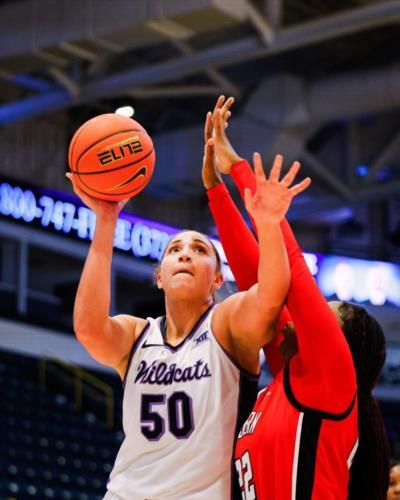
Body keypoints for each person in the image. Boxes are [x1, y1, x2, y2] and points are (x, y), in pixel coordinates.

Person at [66, 143, 309, 499]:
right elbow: (88, 328)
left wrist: (269, 225)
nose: (184, 254)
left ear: (216, 279)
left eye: (199, 250)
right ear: (160, 276)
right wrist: (106, 220)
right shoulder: (137, 335)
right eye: (174, 250)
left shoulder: (226, 324)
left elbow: (271, 294)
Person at [203, 95, 390, 499]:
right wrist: (215, 190)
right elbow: (260, 281)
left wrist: (241, 173)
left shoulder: (329, 377)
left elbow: (292, 272)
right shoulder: (291, 377)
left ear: (336, 341)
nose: (301, 315)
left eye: (324, 314)